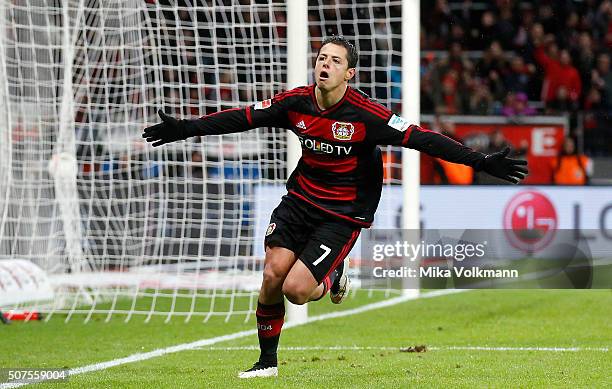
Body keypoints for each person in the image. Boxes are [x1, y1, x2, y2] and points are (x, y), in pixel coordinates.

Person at [142, 35, 528, 378]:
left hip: (343, 213)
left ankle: (333, 274)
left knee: (296, 290)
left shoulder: (367, 115)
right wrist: (186, 128)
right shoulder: (295, 103)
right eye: (322, 57)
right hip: (300, 200)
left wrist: (481, 162)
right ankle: (267, 363)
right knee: (273, 274)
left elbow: (422, 138)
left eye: (335, 60)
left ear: (351, 74)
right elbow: (244, 118)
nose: (324, 64)